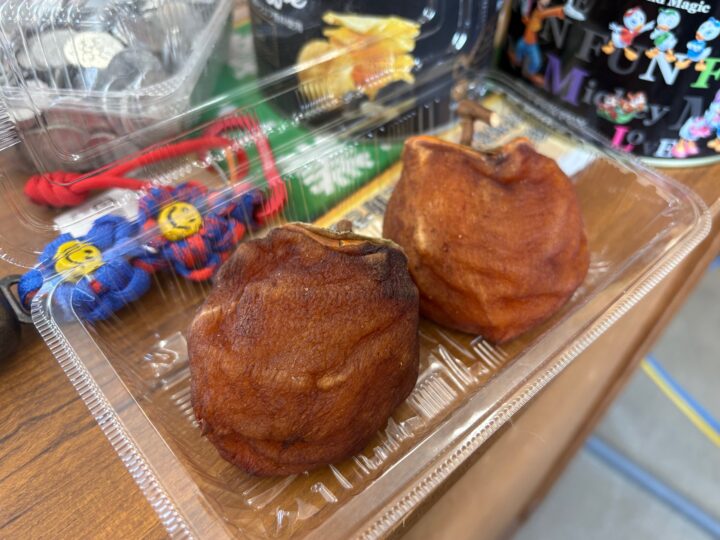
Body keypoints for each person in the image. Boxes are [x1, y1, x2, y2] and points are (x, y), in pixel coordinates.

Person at [510, 0, 565, 86]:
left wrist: (559, 11)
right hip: (524, 42)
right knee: (517, 58)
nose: (542, 8)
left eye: (545, 6)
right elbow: (548, 12)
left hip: (531, 44)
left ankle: (528, 74)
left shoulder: (538, 14)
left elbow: (548, 12)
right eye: (542, 5)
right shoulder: (534, 13)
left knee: (536, 62)